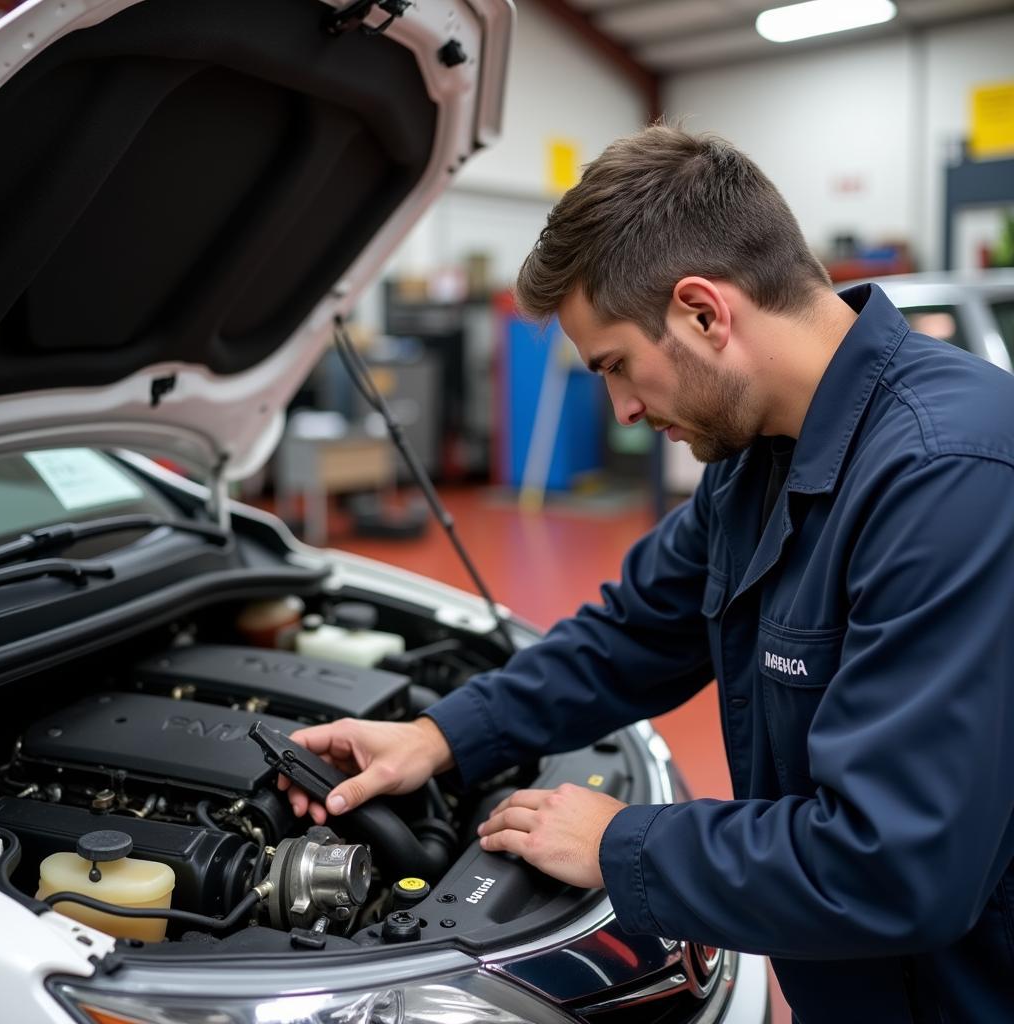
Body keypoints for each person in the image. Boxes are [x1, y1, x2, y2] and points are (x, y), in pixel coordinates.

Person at [279, 124, 1014, 1023]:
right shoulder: (756, 460)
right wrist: (437, 737)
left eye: (617, 367)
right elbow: (628, 635)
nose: (623, 409)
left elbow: (899, 864)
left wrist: (626, 845)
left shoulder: (951, 477)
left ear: (705, 312)